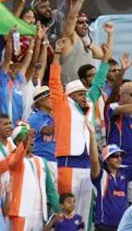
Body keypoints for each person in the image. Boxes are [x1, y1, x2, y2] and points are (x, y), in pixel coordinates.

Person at [51, 37, 111, 229]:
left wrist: (105, 61)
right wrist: (57, 56)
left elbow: (99, 82)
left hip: (87, 166)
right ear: (69, 96)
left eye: (84, 93)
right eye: (79, 94)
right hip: (68, 165)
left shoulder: (90, 104)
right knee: (65, 212)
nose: (84, 96)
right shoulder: (62, 105)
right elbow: (54, 83)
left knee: (84, 213)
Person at [8, 122, 60, 231]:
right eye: (27, 138)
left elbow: (50, 190)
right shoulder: (13, 159)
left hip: (40, 214)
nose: (31, 140)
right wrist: (25, 141)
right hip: (22, 213)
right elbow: (15, 161)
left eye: (32, 138)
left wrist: (58, 210)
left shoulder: (42, 161)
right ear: (18, 142)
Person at [89, 122, 132, 231]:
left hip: (123, 226)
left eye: (120, 155)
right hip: (104, 225)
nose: (119, 158)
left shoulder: (125, 172)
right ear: (106, 159)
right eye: (114, 156)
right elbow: (94, 160)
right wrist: (92, 134)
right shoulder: (101, 175)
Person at [28, 86, 56, 185]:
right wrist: (61, 116)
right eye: (50, 98)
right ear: (41, 102)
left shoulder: (53, 116)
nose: (54, 100)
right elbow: (47, 131)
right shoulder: (35, 117)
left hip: (55, 159)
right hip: (42, 160)